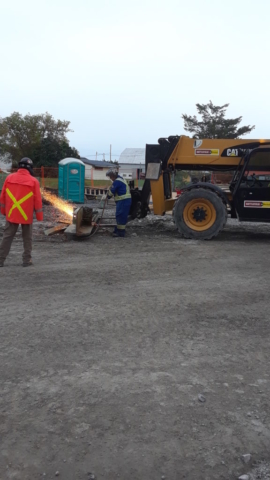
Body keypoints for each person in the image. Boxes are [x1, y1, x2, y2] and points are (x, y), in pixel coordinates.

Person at [0, 157, 43, 267]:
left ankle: (0, 259)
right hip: (26, 215)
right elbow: (38, 200)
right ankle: (26, 260)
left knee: (7, 237)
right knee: (27, 238)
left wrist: (4, 211)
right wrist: (39, 217)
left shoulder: (9, 178)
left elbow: (3, 197)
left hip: (12, 214)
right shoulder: (34, 181)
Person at [106, 168, 132, 237]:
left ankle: (120, 233)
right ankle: (118, 230)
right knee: (121, 216)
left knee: (120, 215)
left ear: (113, 175)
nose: (110, 178)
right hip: (124, 200)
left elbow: (111, 193)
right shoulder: (120, 179)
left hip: (123, 201)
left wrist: (107, 196)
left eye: (110, 176)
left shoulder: (117, 181)